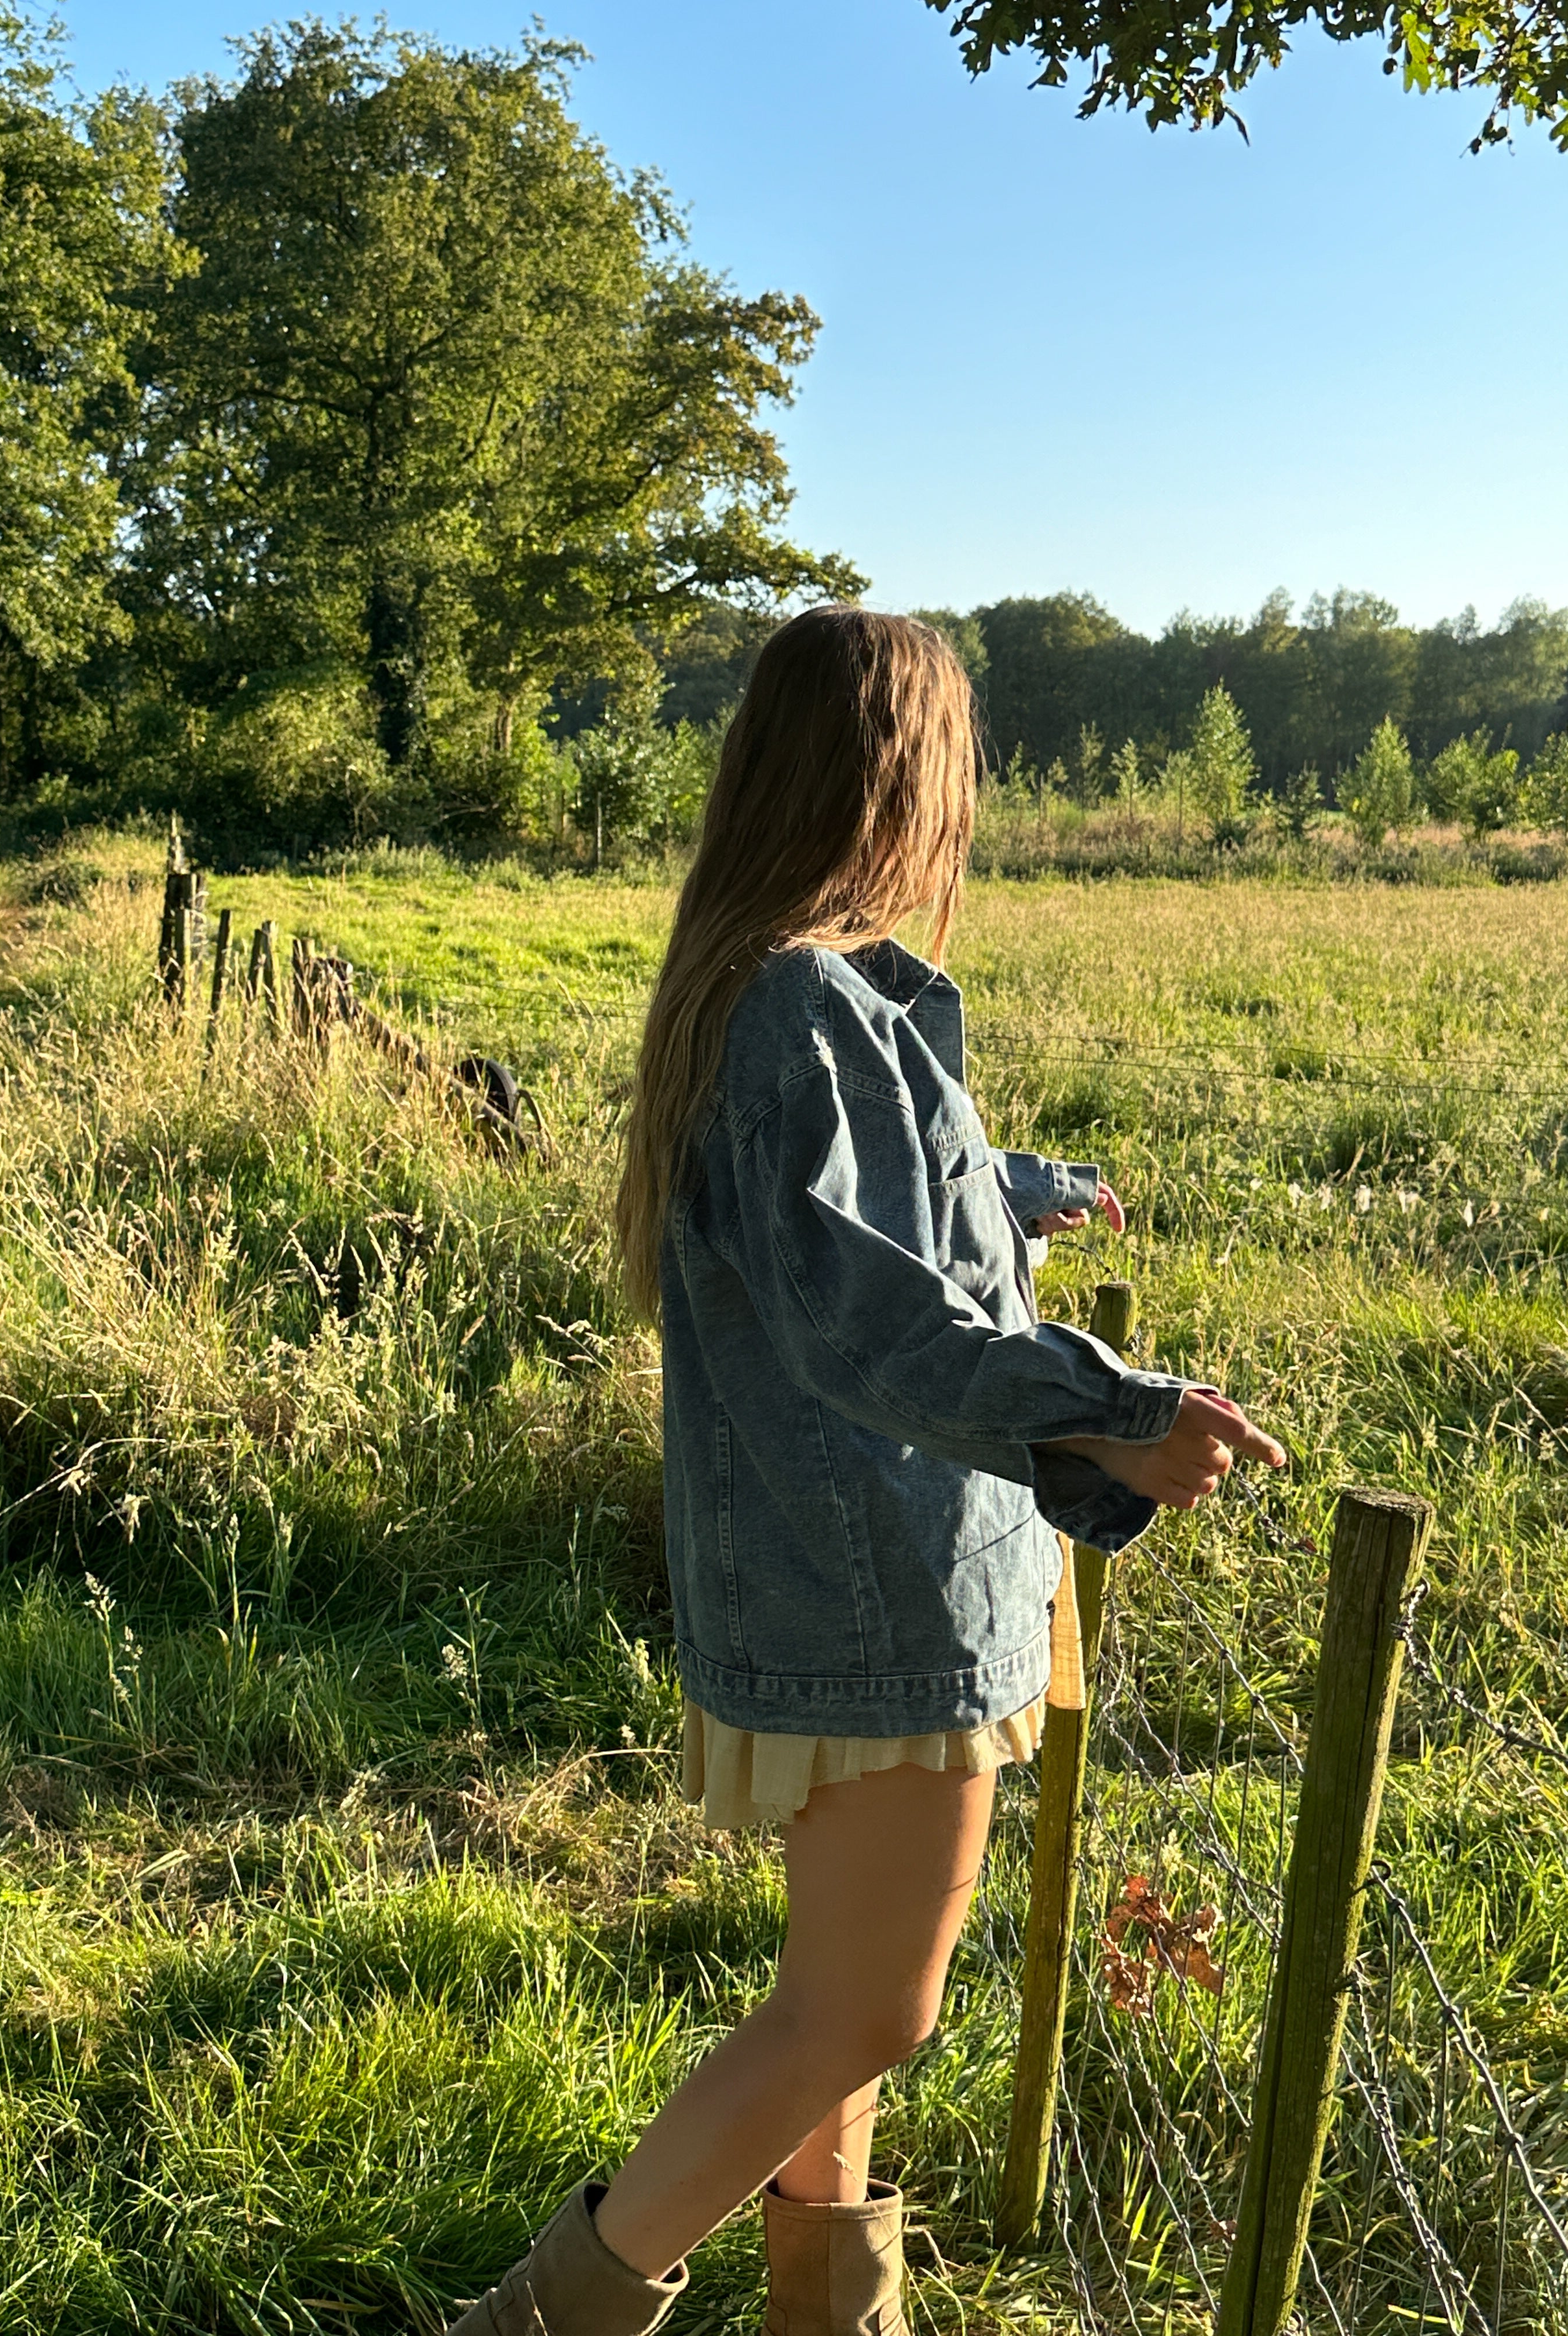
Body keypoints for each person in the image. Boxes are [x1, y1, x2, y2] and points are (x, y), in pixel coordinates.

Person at [449, 607, 1285, 2336]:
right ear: (898, 775)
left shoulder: (781, 991)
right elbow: (865, 1323)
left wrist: (1019, 1188)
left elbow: (859, 1222)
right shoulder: (802, 1006)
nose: (963, 805)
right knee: (861, 2016)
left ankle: (835, 2306)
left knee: (835, 1992)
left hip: (858, 1578)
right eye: (954, 765)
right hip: (879, 1592)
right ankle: (545, 2319)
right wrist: (1116, 1405)